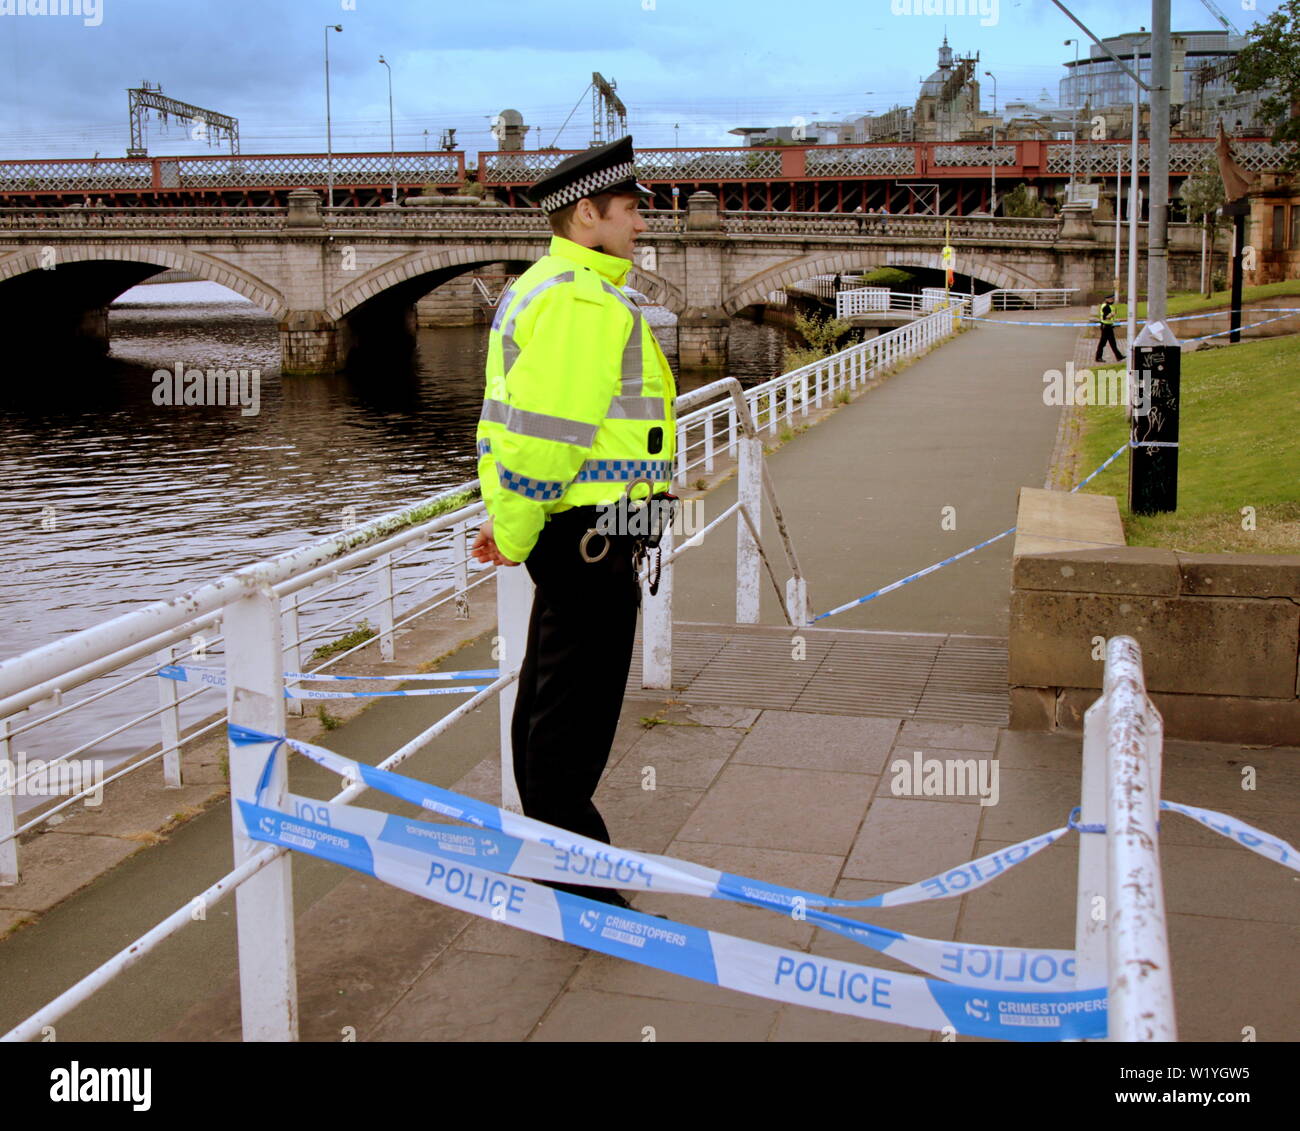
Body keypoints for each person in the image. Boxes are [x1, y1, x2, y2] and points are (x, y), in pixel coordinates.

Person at [470, 136, 677, 910]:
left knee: (551, 701)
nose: (639, 227)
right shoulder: (581, 299)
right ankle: (582, 887)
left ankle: (559, 864)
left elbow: (520, 430)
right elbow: (542, 439)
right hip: (591, 535)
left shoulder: (549, 286)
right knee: (573, 718)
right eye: (628, 212)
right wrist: (515, 532)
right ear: (587, 213)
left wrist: (512, 524)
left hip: (586, 530)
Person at [1095, 295, 1125, 363]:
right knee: (1103, 343)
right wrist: (1112, 314)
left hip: (1108, 326)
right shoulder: (1106, 307)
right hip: (1106, 327)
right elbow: (1104, 317)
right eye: (1112, 299)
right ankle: (1098, 357)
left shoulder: (1109, 306)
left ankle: (1119, 356)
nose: (1113, 300)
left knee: (1112, 343)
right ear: (1107, 299)